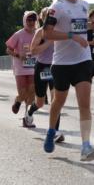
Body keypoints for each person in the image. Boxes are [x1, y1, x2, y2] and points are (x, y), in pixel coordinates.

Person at [42, 0, 94, 161]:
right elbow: (47, 33)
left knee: (85, 104)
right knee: (58, 101)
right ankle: (51, 131)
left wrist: (90, 26)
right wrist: (71, 36)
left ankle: (85, 146)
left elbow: (79, 27)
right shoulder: (56, 7)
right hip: (62, 64)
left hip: (83, 60)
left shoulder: (84, 5)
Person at [28, 7, 64, 142]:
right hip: (42, 68)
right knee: (40, 102)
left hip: (56, 67)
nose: (50, 17)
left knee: (57, 99)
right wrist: (48, 41)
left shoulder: (59, 32)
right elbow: (33, 51)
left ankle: (55, 131)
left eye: (51, 15)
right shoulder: (40, 33)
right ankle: (30, 112)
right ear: (42, 18)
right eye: (46, 15)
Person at [6, 12, 39, 126]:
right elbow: (8, 50)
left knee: (32, 92)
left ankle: (28, 118)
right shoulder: (18, 34)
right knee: (24, 93)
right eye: (29, 20)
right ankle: (18, 100)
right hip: (20, 68)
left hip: (34, 67)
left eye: (33, 20)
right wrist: (19, 55)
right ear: (25, 21)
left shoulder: (39, 33)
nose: (31, 23)